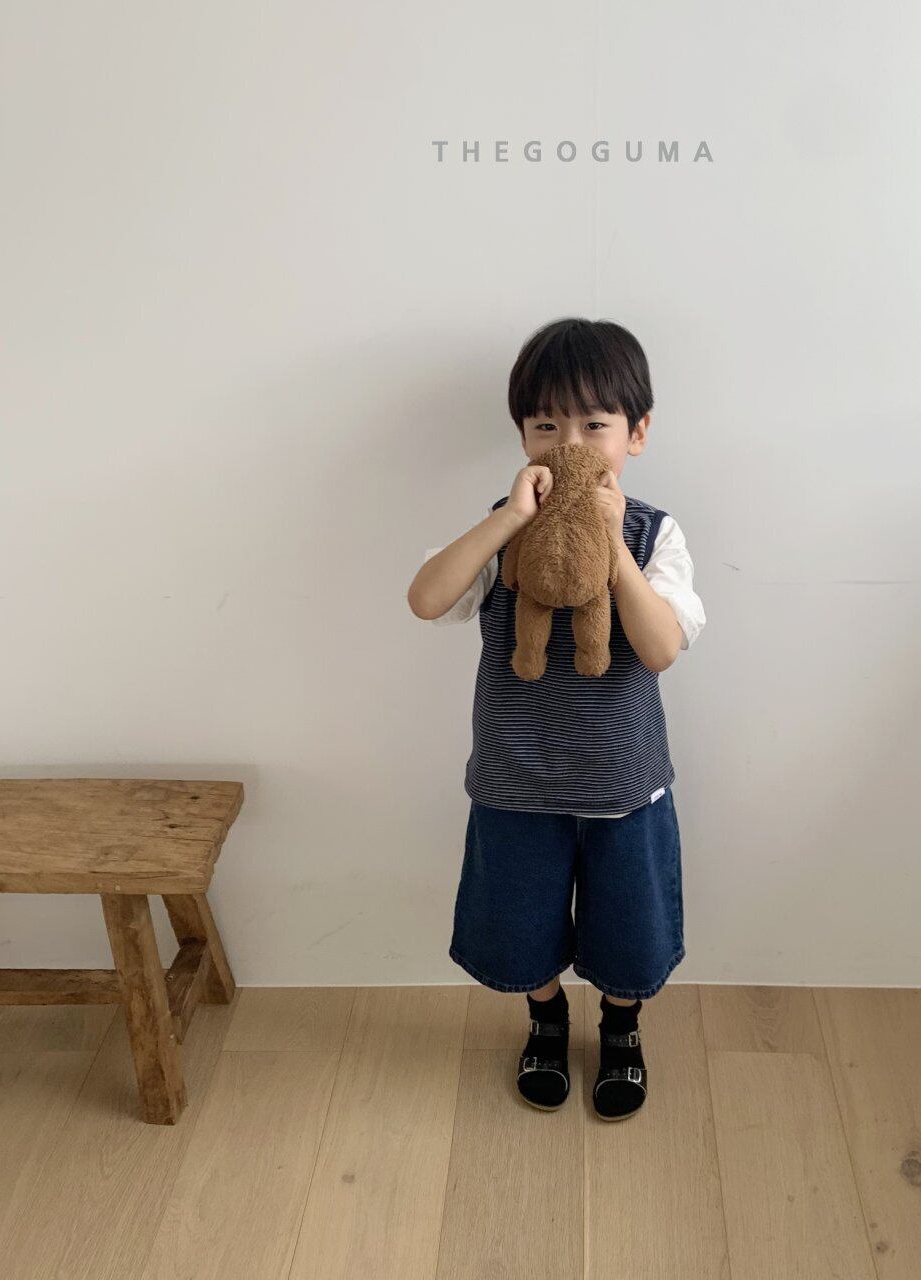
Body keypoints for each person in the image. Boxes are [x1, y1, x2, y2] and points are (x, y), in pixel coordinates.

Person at [407, 317, 705, 1120]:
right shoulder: (502, 525)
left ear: (637, 433)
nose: (567, 443)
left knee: (629, 927)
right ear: (521, 436)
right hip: (516, 778)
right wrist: (508, 521)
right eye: (545, 424)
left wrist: (612, 543)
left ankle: (620, 1026)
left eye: (593, 424)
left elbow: (661, 647)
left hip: (621, 783)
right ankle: (545, 1017)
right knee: (518, 919)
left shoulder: (653, 533)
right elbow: (427, 599)